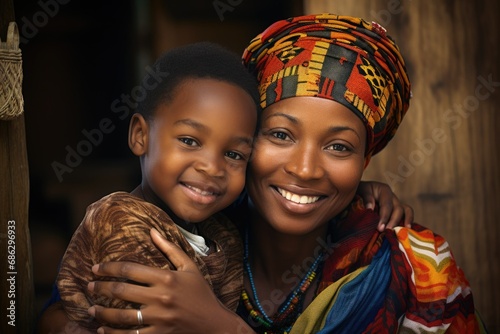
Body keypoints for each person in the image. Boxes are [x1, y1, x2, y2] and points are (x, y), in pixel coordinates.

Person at [36, 18, 418, 334]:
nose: (305, 169)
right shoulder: (190, 220)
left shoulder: (407, 267)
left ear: (365, 161)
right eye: (280, 135)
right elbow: (63, 315)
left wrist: (221, 326)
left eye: (339, 147)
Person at [51, 41, 261, 331]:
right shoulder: (119, 219)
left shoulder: (223, 237)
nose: (213, 167)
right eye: (189, 141)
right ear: (140, 136)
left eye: (234, 154)